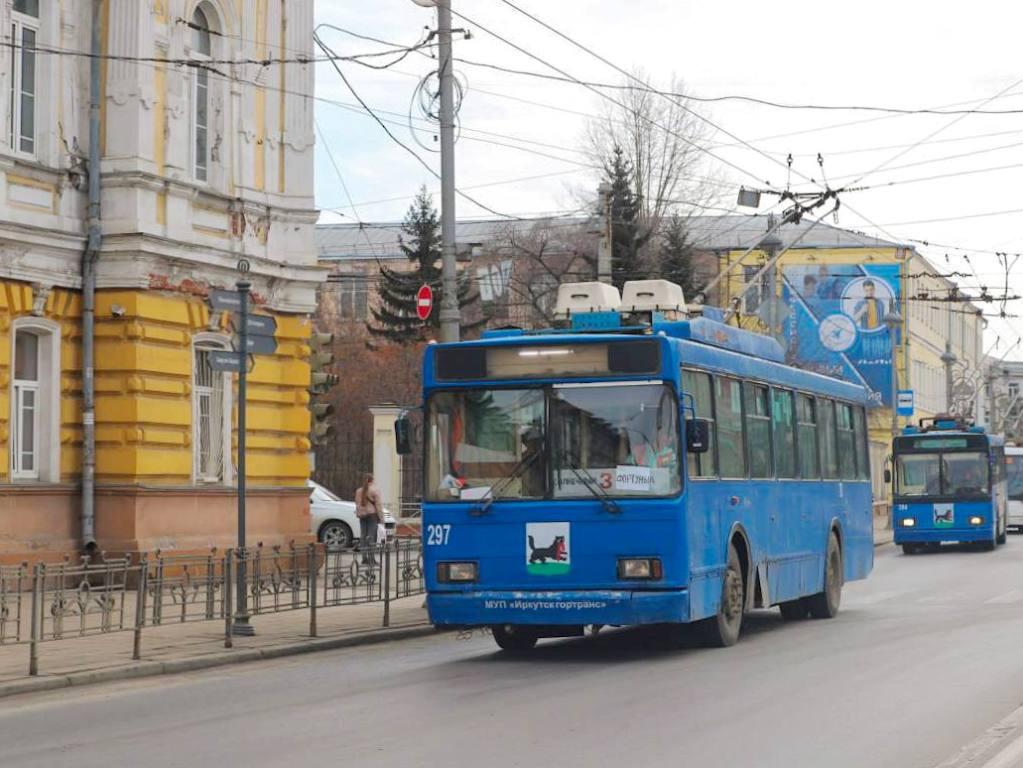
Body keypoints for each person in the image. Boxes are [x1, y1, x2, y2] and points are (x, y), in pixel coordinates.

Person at [354, 473, 382, 565]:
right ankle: (371, 559)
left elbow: (357, 503)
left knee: (363, 536)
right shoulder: (375, 490)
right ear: (372, 480)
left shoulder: (359, 491)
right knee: (371, 537)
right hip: (372, 515)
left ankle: (364, 558)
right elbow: (378, 505)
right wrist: (381, 518)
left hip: (362, 515)